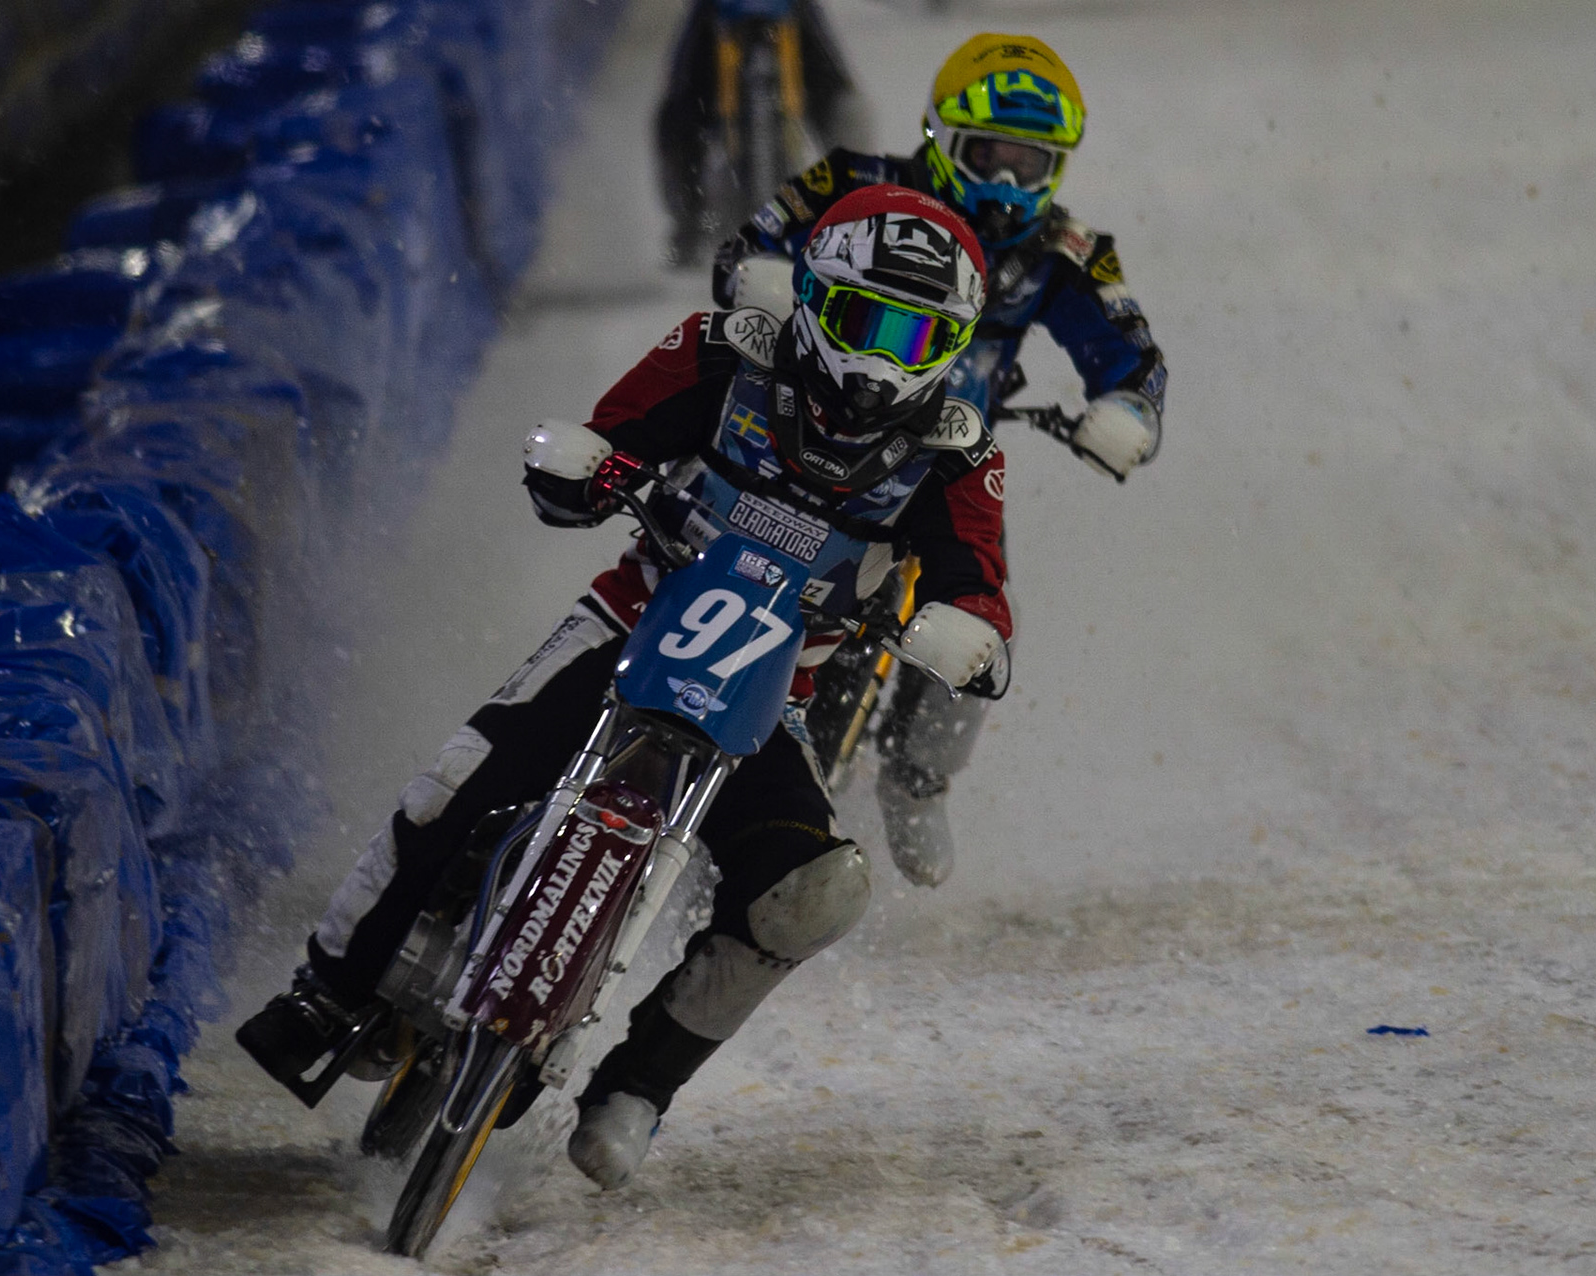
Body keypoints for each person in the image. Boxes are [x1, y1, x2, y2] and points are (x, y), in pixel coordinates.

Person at [237, 185, 1014, 1190]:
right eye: (866, 321)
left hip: (772, 694)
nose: (881, 359)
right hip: (631, 618)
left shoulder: (959, 455)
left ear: (954, 346)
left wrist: (967, 634)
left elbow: (977, 587)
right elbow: (615, 435)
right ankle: (329, 985)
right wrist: (592, 468)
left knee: (815, 889)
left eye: (917, 337)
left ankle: (636, 1087)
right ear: (815, 302)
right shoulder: (726, 349)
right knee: (461, 777)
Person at [711, 32, 1168, 889]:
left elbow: (1132, 352)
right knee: (687, 519)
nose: (1005, 183)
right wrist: (764, 281)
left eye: (1030, 165)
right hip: (793, 426)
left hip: (931, 472)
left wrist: (1127, 409)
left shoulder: (1067, 253)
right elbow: (749, 245)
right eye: (989, 156)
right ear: (939, 137)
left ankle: (917, 781)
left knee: (980, 611)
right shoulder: (849, 182)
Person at [655, 0, 872, 265]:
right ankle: (690, 219)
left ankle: (853, 208)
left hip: (786, 8)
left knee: (841, 102)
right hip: (720, 11)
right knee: (679, 111)